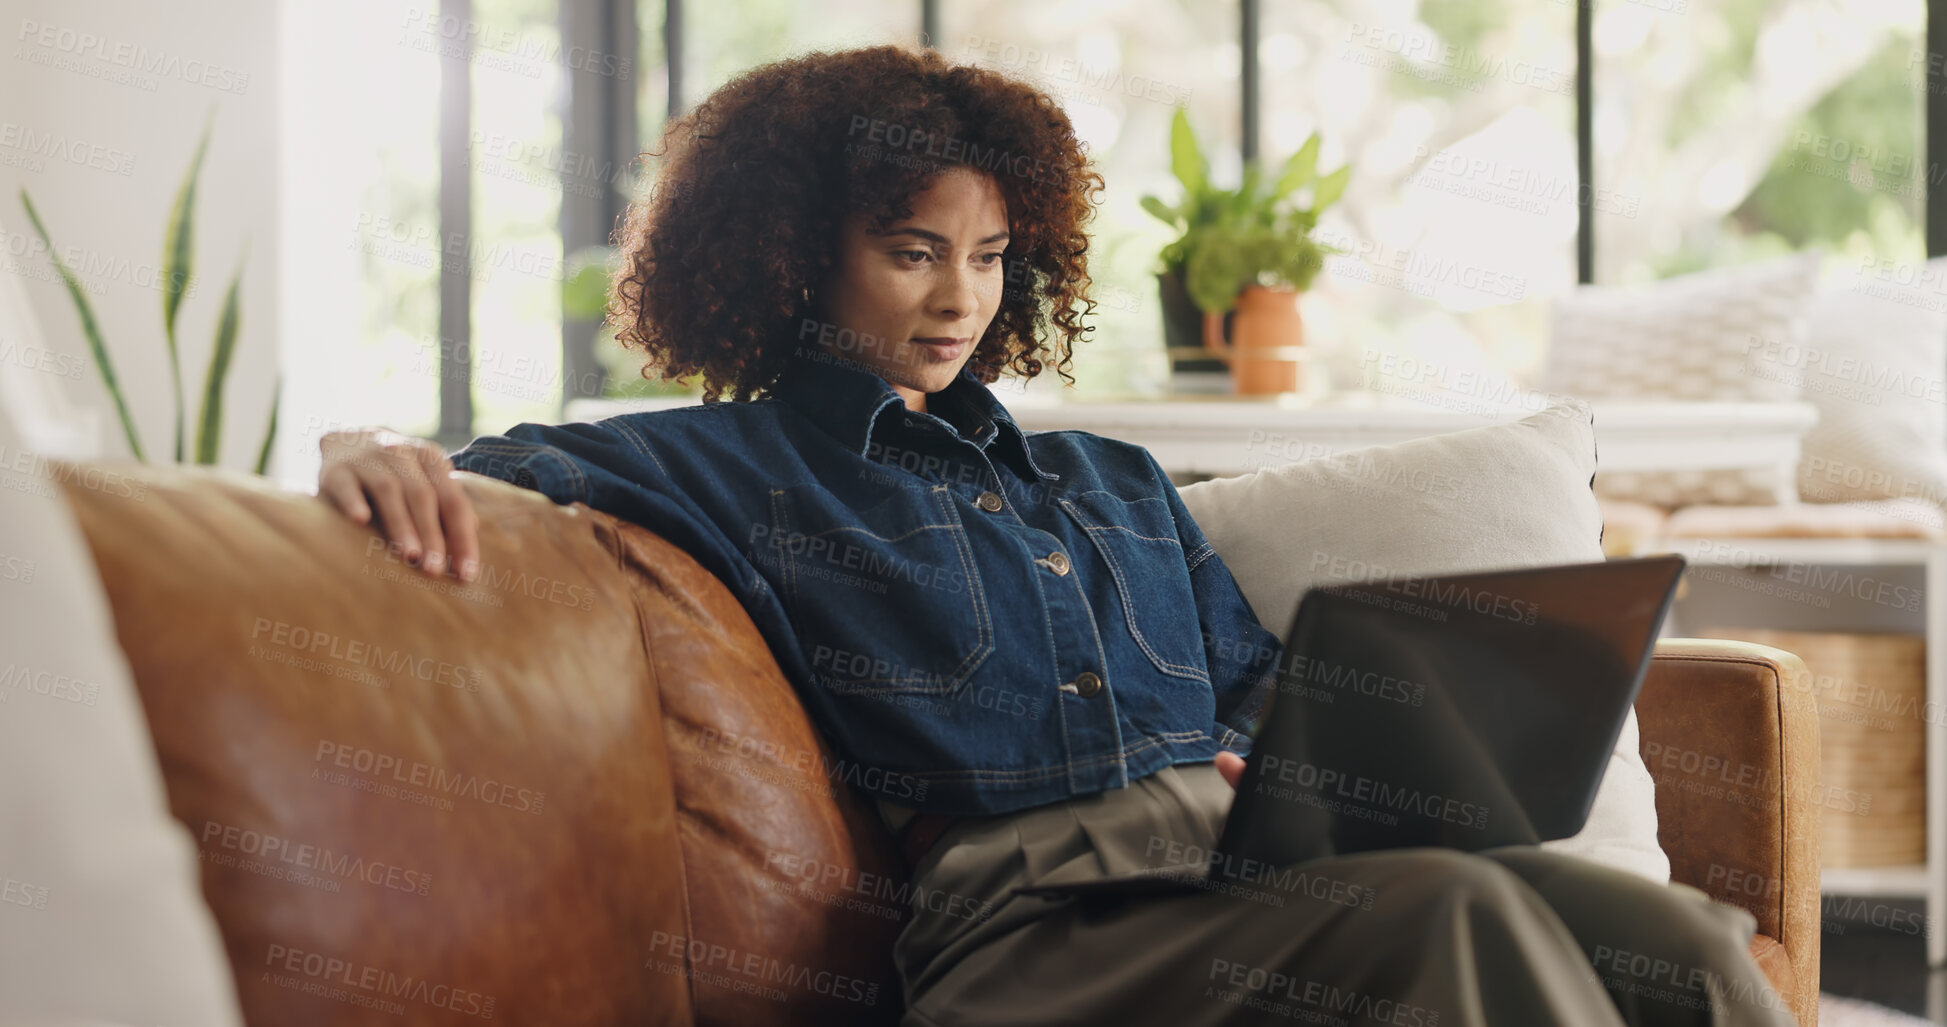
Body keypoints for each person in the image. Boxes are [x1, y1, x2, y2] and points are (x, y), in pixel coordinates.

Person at [315, 43, 1795, 1027]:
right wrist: (360, 447)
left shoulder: (1112, 486)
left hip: (1249, 870)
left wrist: (1336, 745)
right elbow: (505, 468)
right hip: (1033, 930)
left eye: (987, 256)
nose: (958, 299)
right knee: (1454, 918)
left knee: (1690, 949)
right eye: (911, 253)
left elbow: (1260, 695)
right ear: (787, 256)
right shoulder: (745, 466)